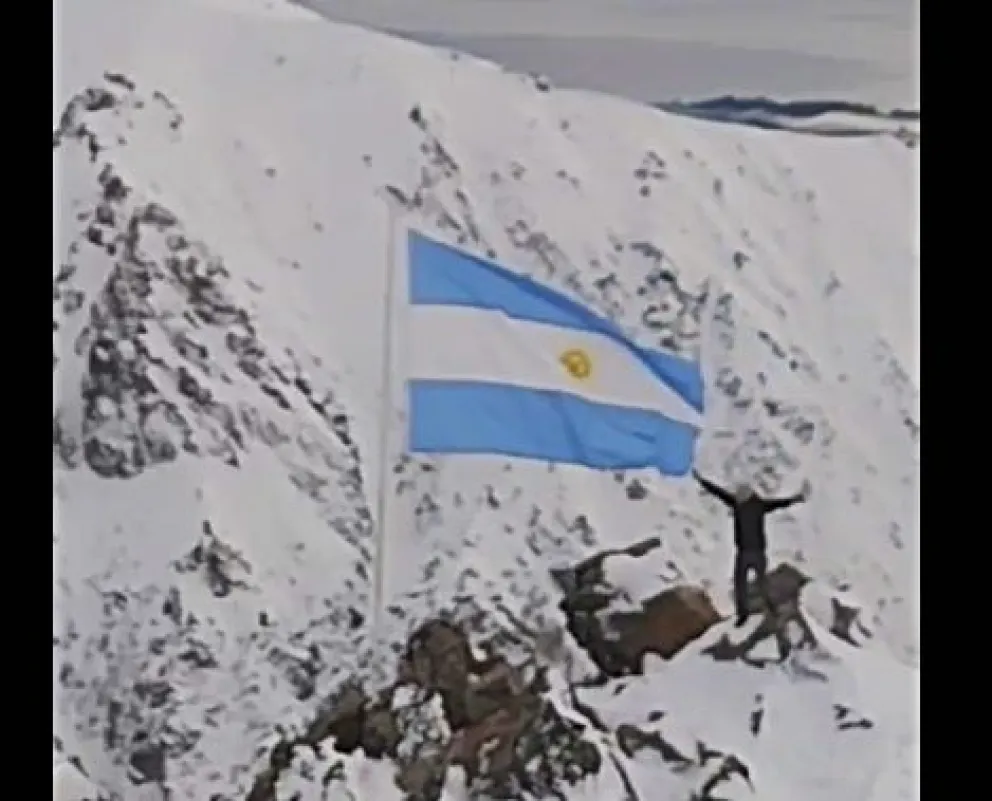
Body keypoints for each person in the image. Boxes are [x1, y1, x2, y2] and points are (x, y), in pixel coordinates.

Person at [693, 470, 810, 626]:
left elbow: (719, 493)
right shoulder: (759, 505)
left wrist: (702, 481)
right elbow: (780, 504)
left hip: (745, 553)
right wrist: (797, 499)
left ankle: (745, 614)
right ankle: (768, 609)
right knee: (760, 583)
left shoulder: (740, 504)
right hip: (756, 552)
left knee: (742, 583)